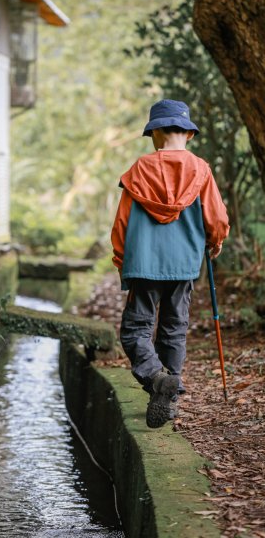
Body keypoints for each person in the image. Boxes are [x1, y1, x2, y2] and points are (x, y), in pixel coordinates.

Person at [111, 99, 229, 428]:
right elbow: (217, 218)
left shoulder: (138, 172)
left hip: (144, 263)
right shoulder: (201, 170)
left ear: (156, 133)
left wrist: (122, 260)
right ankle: (169, 391)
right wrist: (215, 241)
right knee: (174, 329)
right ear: (188, 134)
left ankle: (156, 379)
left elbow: (121, 224)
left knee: (135, 330)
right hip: (185, 263)